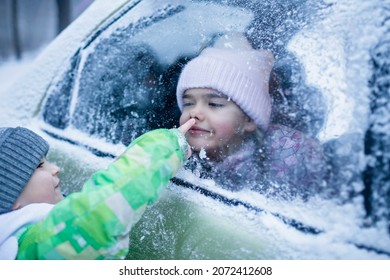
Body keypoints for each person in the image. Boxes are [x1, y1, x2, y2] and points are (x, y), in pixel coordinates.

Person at [0, 118, 195, 260]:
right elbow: (98, 213)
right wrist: (167, 146)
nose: (56, 169)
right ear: (10, 198)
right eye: (40, 166)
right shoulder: (31, 249)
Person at [175, 34, 326, 198]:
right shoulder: (179, 155)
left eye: (215, 104)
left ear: (248, 119)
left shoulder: (286, 157)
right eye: (188, 103)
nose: (195, 113)